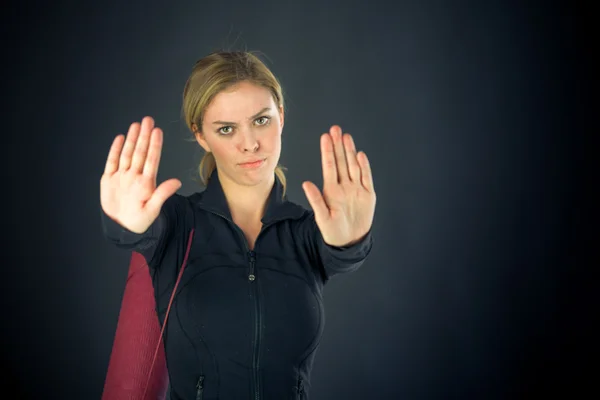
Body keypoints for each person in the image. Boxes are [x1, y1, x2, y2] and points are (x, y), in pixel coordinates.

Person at [100, 51, 376, 399]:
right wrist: (124, 225)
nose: (250, 144)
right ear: (201, 136)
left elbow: (342, 254)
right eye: (226, 129)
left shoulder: (306, 231)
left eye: (261, 120)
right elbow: (135, 234)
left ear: (282, 117)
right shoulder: (176, 223)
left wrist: (351, 241)